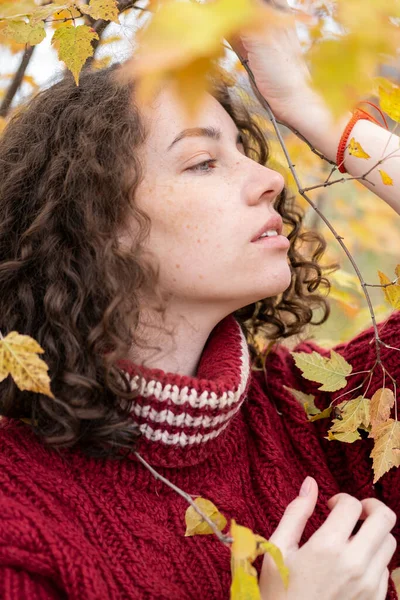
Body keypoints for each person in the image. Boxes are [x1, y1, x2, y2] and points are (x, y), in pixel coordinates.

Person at [0, 0, 399, 598]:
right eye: (203, 161)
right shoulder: (20, 522)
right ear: (95, 223)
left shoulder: (324, 413)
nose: (270, 179)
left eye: (246, 150)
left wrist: (318, 117)